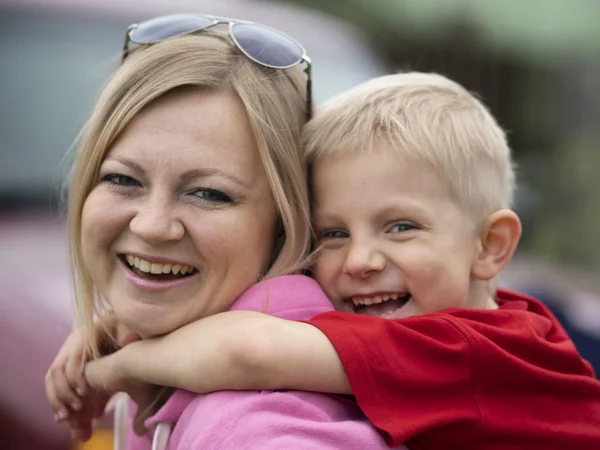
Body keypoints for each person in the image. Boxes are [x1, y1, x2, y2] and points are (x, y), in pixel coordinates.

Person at [50, 71, 600, 449]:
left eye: (400, 227)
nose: (359, 260)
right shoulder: (454, 320)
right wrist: (117, 324)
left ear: (490, 245)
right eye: (332, 233)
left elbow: (248, 350)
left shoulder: (469, 350)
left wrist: (115, 367)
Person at [45, 13, 395, 450]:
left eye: (209, 194)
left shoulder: (254, 423)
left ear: (285, 227)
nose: (152, 225)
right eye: (122, 179)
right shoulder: (167, 357)